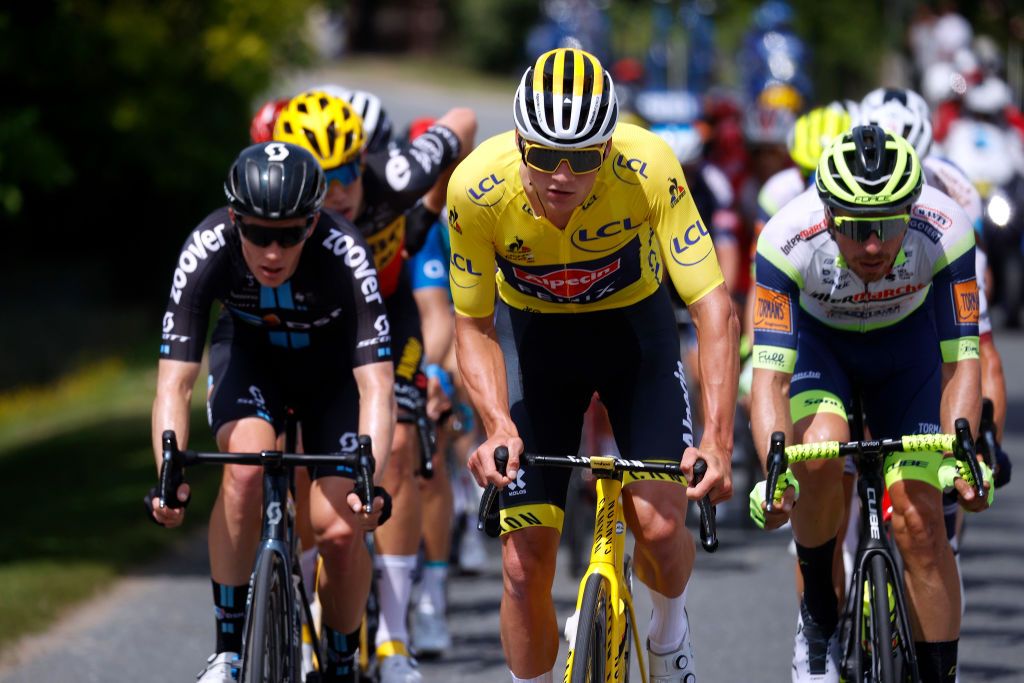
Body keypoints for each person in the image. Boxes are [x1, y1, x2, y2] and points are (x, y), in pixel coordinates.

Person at [449, 47, 738, 683]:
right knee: (524, 566)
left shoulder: (650, 167)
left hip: (635, 340)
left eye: (581, 158)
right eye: (544, 155)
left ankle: (669, 640)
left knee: (660, 526)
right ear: (519, 141)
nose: (561, 174)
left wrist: (719, 440)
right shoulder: (475, 190)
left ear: (607, 151)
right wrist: (496, 423)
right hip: (540, 349)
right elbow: (471, 326)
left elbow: (714, 309)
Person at [749, 125, 991, 683]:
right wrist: (772, 472)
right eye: (857, 229)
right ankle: (818, 627)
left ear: (913, 208)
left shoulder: (947, 228)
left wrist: (963, 449)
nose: (875, 245)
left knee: (920, 519)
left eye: (887, 225)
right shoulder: (785, 239)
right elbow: (769, 382)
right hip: (821, 350)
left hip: (907, 356)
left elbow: (961, 359)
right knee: (817, 456)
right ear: (828, 216)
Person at [148, 142, 395, 683]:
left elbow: (376, 384)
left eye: (291, 234)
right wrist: (168, 473)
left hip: (333, 378)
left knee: (339, 530)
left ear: (314, 222)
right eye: (258, 233)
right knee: (243, 470)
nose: (274, 251)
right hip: (250, 361)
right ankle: (228, 650)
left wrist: (370, 478)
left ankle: (340, 660)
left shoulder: (345, 250)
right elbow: (174, 380)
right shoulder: (208, 245)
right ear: (234, 219)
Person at [274, 90, 476, 682]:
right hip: (316, 329)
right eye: (318, 177)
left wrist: (438, 200)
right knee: (300, 453)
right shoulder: (285, 198)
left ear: (362, 159)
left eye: (344, 172)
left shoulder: (394, 174)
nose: (332, 189)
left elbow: (462, 119)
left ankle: (393, 637)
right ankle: (317, 601)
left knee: (398, 446)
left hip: (388, 319)